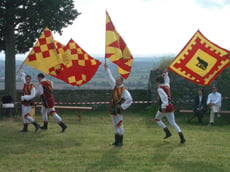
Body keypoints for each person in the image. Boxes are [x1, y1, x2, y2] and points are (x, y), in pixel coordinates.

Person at [104, 63, 133, 147]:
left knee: (119, 124)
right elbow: (110, 78)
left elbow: (130, 100)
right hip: (113, 108)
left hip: (118, 109)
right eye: (116, 80)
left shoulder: (124, 90)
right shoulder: (115, 86)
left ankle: (120, 142)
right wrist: (107, 69)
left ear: (121, 81)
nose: (116, 81)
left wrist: (122, 106)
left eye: (118, 80)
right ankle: (116, 141)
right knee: (114, 124)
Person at [154, 70, 186, 144]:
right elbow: (167, 80)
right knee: (173, 123)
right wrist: (165, 74)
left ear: (158, 82)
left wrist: (163, 109)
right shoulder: (167, 86)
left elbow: (164, 99)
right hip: (170, 106)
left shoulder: (160, 89)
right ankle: (181, 137)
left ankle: (167, 131)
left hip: (164, 107)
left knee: (157, 119)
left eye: (157, 82)